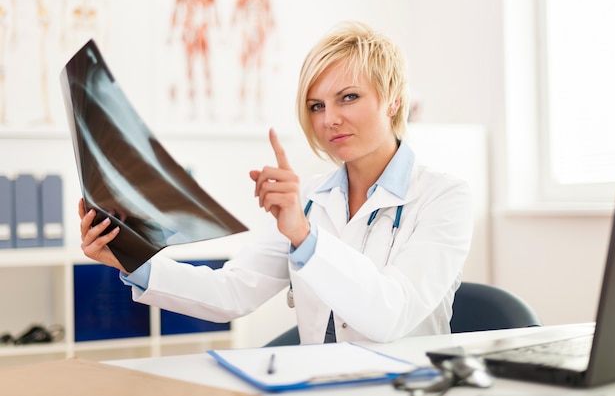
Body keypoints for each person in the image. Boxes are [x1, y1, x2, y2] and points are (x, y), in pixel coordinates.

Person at [78, 20, 473, 344]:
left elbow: (392, 314)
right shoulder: (308, 198)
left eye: (348, 97)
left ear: (393, 100)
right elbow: (231, 291)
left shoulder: (444, 197)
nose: (328, 119)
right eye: (316, 105)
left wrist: (304, 236)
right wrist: (131, 259)